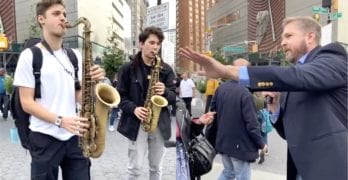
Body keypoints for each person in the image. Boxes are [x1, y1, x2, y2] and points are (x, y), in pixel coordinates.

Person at [179, 16, 347, 180]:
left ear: (310, 37)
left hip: (331, 168)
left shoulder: (332, 57)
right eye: (282, 37)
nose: (282, 42)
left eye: (289, 36)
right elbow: (289, 133)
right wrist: (274, 107)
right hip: (301, 169)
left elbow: (297, 77)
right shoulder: (293, 78)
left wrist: (226, 71)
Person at [13, 0, 106, 179]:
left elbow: (79, 96)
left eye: (64, 13)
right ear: (41, 19)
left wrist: (93, 82)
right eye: (56, 14)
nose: (63, 18)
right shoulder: (29, 56)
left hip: (75, 136)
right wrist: (60, 121)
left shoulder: (74, 56)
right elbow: (26, 102)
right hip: (44, 136)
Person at [117, 26, 176, 180]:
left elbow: (174, 96)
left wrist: (165, 91)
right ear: (141, 44)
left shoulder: (165, 69)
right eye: (151, 43)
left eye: (158, 44)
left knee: (156, 168)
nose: (155, 47)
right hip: (136, 124)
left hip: (159, 123)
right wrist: (134, 109)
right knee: (135, 169)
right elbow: (119, 97)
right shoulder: (127, 68)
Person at [205, 59, 267, 180]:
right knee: (242, 176)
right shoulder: (245, 93)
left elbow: (212, 113)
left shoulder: (220, 89)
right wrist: (261, 144)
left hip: (223, 142)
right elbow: (252, 124)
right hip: (240, 146)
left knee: (228, 173)